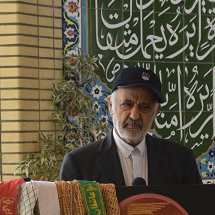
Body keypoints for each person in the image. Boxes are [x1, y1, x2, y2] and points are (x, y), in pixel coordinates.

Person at [59, 66, 202, 185]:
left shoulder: (180, 160)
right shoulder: (79, 163)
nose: (134, 116)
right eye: (127, 104)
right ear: (111, 106)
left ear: (156, 111)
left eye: (145, 107)